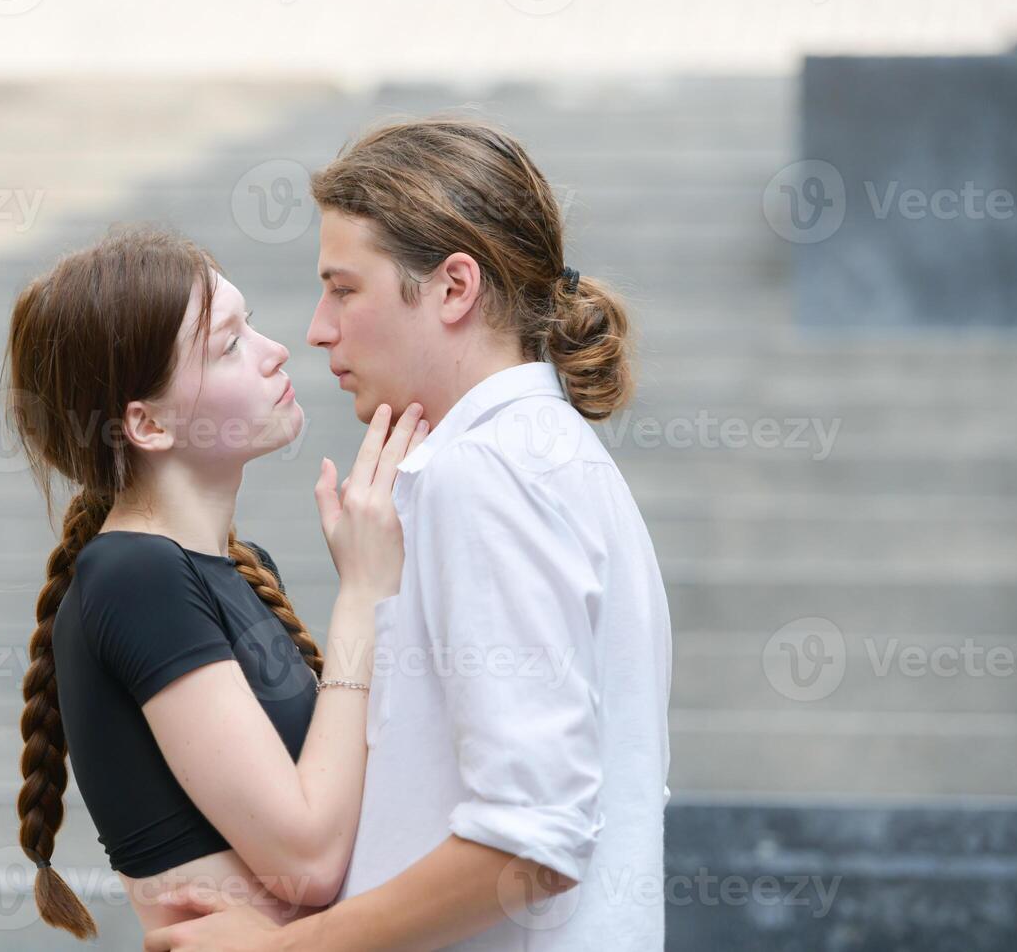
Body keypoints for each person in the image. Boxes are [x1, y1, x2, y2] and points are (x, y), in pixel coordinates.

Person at [146, 117, 673, 951]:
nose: (318, 329)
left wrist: (284, 949)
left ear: (454, 288)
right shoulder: (546, 457)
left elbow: (531, 840)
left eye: (344, 288)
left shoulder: (487, 473)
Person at [3, 225, 427, 938]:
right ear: (147, 423)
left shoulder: (231, 567)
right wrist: (361, 593)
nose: (275, 351)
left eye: (249, 325)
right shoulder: (133, 576)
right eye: (229, 345)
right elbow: (309, 857)